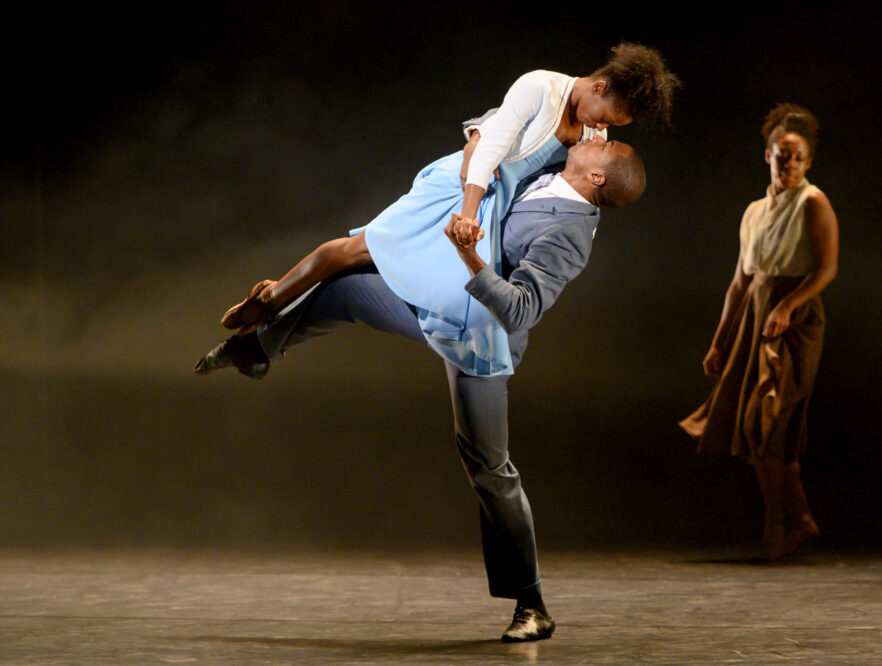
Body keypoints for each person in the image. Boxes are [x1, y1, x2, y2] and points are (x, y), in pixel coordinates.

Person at [196, 135, 647, 641]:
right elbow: (510, 126)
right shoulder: (550, 165)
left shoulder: (569, 234)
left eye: (602, 147)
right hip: (433, 302)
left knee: (488, 468)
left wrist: (470, 255)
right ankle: (255, 351)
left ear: (598, 178)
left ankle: (532, 604)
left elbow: (523, 309)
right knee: (345, 287)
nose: (590, 140)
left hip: (478, 338)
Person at [220, 42, 677, 377]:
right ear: (599, 86)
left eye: (610, 127)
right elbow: (491, 143)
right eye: (605, 117)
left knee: (424, 292)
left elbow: (567, 190)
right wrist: (469, 210)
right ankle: (267, 301)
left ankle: (265, 342)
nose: (600, 129)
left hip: (487, 217)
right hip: (462, 194)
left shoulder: (590, 139)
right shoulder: (541, 86)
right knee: (355, 251)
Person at [680, 104, 839, 561]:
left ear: (808, 162)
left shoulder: (814, 202)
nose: (789, 164)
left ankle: (780, 520)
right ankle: (799, 518)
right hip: (757, 317)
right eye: (781, 155)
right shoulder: (753, 212)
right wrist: (718, 342)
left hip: (795, 321)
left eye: (798, 157)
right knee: (758, 432)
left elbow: (827, 269)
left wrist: (788, 306)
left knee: (766, 424)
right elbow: (739, 282)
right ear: (767, 155)